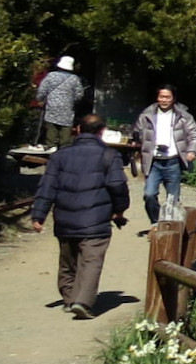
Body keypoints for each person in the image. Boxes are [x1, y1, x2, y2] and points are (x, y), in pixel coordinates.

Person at [29, 115, 129, 320]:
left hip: (65, 219)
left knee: (68, 260)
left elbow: (47, 187)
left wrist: (38, 215)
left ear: (77, 129)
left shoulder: (59, 156)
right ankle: (82, 301)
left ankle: (68, 298)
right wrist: (120, 209)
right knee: (91, 261)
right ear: (102, 131)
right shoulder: (109, 155)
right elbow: (118, 185)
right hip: (96, 220)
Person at [134, 84, 196, 223]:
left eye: (167, 97)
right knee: (149, 194)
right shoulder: (147, 115)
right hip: (154, 161)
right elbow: (137, 133)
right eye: (161, 96)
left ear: (173, 99)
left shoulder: (183, 116)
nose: (164, 100)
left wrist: (192, 151)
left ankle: (170, 227)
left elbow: (195, 135)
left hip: (173, 161)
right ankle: (156, 222)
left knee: (173, 199)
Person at [34, 56, 83, 151]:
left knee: (51, 127)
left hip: (52, 106)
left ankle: (51, 146)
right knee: (66, 128)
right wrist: (73, 101)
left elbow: (42, 90)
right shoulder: (74, 79)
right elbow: (79, 94)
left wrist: (40, 99)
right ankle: (65, 147)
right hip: (67, 108)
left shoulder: (51, 76)